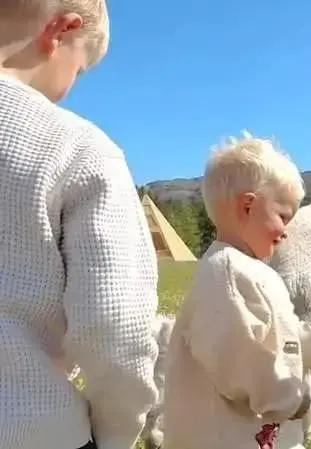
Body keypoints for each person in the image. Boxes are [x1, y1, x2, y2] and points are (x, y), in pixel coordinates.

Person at [0, 2, 160, 449]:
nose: (70, 88)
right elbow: (116, 326)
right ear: (61, 30)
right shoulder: (78, 150)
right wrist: (116, 432)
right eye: (81, 68)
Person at [163, 133, 311, 449]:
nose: (286, 232)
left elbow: (287, 337)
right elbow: (236, 358)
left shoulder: (252, 271)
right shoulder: (226, 274)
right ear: (248, 206)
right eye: (283, 217)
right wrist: (288, 398)